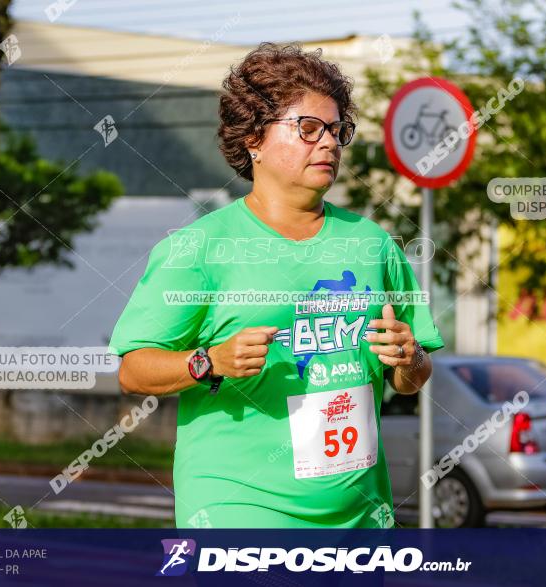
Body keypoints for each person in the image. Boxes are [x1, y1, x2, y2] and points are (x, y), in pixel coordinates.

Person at [108, 42, 445, 528]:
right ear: (254, 139)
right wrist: (209, 361)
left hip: (359, 517)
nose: (329, 143)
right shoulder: (199, 248)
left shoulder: (372, 245)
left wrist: (409, 357)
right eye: (309, 129)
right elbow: (133, 371)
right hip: (240, 510)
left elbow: (410, 378)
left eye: (337, 130)